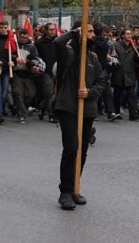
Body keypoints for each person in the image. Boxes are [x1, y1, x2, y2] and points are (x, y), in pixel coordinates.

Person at [53, 23, 107, 210]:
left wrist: (90, 92)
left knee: (82, 150)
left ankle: (75, 187)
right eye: (89, 31)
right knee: (71, 148)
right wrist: (74, 32)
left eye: (93, 31)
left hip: (87, 107)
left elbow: (102, 81)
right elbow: (58, 42)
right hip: (68, 105)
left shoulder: (93, 57)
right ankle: (65, 192)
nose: (93, 34)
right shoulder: (68, 53)